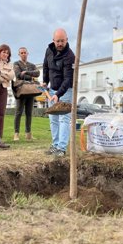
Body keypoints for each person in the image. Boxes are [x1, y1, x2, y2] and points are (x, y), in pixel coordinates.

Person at [43, 28, 75, 157]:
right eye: (58, 41)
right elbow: (45, 67)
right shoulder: (49, 50)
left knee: (64, 119)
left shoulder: (70, 56)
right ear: (53, 41)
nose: (60, 43)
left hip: (65, 90)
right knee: (53, 119)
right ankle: (55, 145)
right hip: (52, 89)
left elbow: (68, 79)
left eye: (62, 41)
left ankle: (61, 148)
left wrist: (58, 94)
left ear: (66, 40)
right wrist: (45, 81)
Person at [13, 47, 40, 141]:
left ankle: (28, 134)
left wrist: (27, 72)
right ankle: (16, 134)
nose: (23, 54)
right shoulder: (16, 63)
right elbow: (18, 74)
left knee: (29, 112)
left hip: (31, 90)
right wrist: (29, 74)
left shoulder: (31, 65)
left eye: (25, 52)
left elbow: (38, 73)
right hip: (21, 90)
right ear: (19, 54)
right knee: (18, 112)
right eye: (21, 53)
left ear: (27, 53)